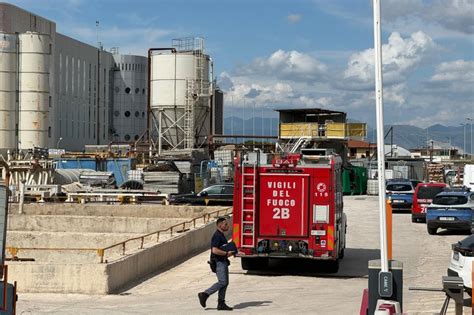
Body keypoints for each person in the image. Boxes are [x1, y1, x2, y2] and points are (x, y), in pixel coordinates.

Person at [198, 217, 234, 311]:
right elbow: (214, 250)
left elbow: (220, 249)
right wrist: (226, 253)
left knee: (225, 283)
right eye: (225, 224)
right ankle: (205, 294)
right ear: (220, 225)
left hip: (223, 261)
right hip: (219, 262)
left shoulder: (221, 235)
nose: (227, 226)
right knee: (223, 282)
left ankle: (221, 303)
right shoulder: (217, 235)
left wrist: (230, 252)